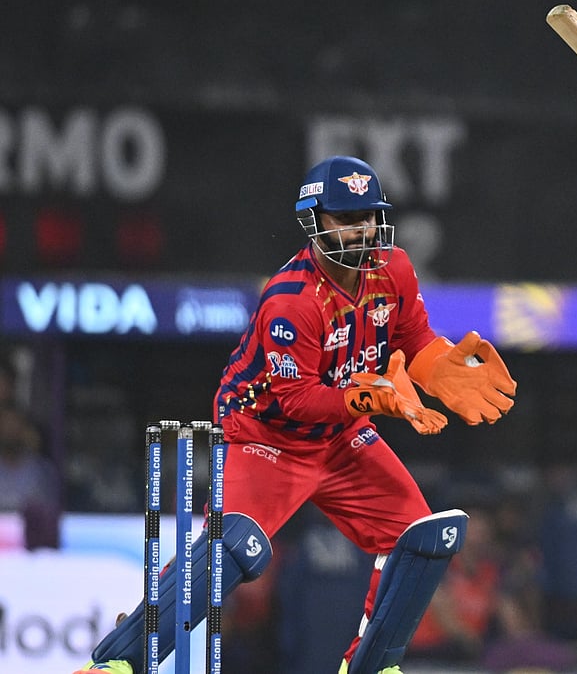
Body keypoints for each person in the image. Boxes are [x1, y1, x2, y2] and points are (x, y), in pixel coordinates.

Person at [76, 155, 517, 674]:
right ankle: (119, 662)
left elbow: (412, 336)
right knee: (232, 546)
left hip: (342, 437)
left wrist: (437, 366)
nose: (363, 230)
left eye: (370, 216)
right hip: (267, 436)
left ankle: (370, 666)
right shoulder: (290, 300)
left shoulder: (393, 267)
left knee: (421, 535)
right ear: (315, 222)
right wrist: (368, 398)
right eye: (346, 219)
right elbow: (298, 401)